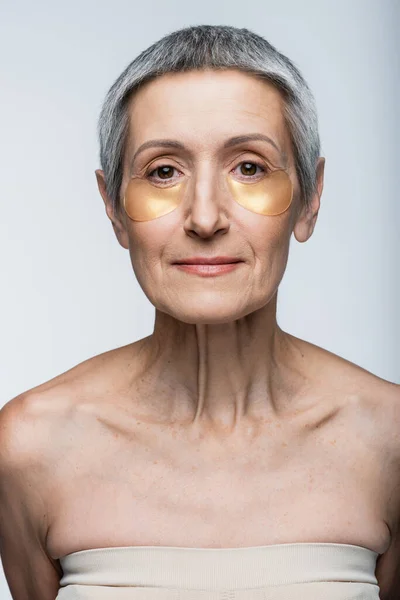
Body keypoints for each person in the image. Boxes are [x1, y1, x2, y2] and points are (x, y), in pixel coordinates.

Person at [0, 24, 399, 600]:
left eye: (250, 167)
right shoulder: (31, 447)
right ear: (113, 207)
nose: (206, 217)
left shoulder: (388, 442)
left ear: (310, 200)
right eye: (163, 171)